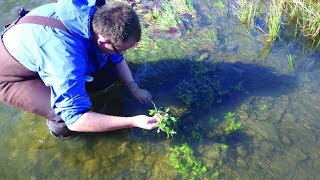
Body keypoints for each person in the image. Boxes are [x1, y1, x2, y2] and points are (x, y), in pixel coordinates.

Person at [0, 0, 159, 138]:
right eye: (120, 49)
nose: (122, 54)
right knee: (63, 120)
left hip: (41, 51)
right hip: (13, 77)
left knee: (108, 74)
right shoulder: (65, 58)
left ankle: (74, 89)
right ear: (103, 39)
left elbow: (116, 58)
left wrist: (134, 87)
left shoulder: (97, 14)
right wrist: (133, 121)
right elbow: (75, 120)